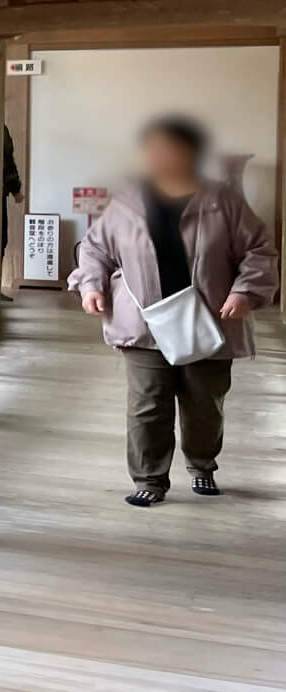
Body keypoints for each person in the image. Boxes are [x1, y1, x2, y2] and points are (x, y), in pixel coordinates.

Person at [68, 116, 277, 506]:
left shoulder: (222, 200)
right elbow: (95, 249)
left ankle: (201, 465)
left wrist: (245, 291)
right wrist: (91, 285)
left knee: (204, 406)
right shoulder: (127, 202)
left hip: (210, 319)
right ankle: (150, 478)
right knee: (147, 406)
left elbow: (259, 250)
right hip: (144, 321)